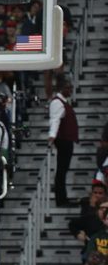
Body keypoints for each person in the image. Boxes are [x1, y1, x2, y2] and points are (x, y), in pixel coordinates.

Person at [48, 78, 79, 207]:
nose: (71, 90)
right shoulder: (57, 102)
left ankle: (63, 198)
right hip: (63, 140)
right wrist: (52, 136)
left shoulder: (63, 102)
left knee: (63, 170)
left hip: (66, 140)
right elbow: (55, 120)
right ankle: (61, 200)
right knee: (61, 170)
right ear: (61, 88)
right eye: (68, 87)